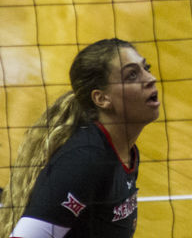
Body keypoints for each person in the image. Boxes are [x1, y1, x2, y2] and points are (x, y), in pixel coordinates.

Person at [0, 38, 160, 238]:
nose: (150, 79)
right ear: (101, 98)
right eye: (132, 75)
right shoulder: (85, 160)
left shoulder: (124, 150)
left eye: (146, 68)